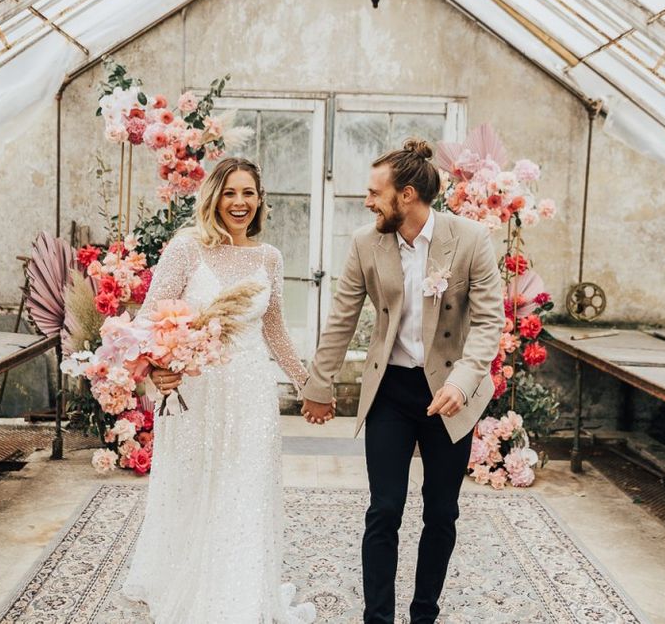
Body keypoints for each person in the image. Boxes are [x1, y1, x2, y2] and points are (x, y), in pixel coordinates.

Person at [301, 139, 505, 624]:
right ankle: (378, 618)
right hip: (390, 390)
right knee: (384, 508)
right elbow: (342, 318)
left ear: (407, 195)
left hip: (451, 392)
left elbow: (490, 321)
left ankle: (423, 614)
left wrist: (464, 381)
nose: (367, 201)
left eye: (375, 192)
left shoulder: (471, 239)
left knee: (441, 512)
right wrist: (318, 383)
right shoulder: (365, 243)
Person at [120, 157, 322, 623]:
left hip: (251, 391)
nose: (239, 202)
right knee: (194, 484)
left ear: (260, 199)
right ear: (214, 197)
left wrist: (310, 385)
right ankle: (186, 584)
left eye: (248, 192)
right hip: (196, 393)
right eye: (230, 192)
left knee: (245, 488)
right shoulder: (186, 250)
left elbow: (276, 332)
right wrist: (155, 369)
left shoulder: (269, 257)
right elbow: (149, 319)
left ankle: (242, 595)